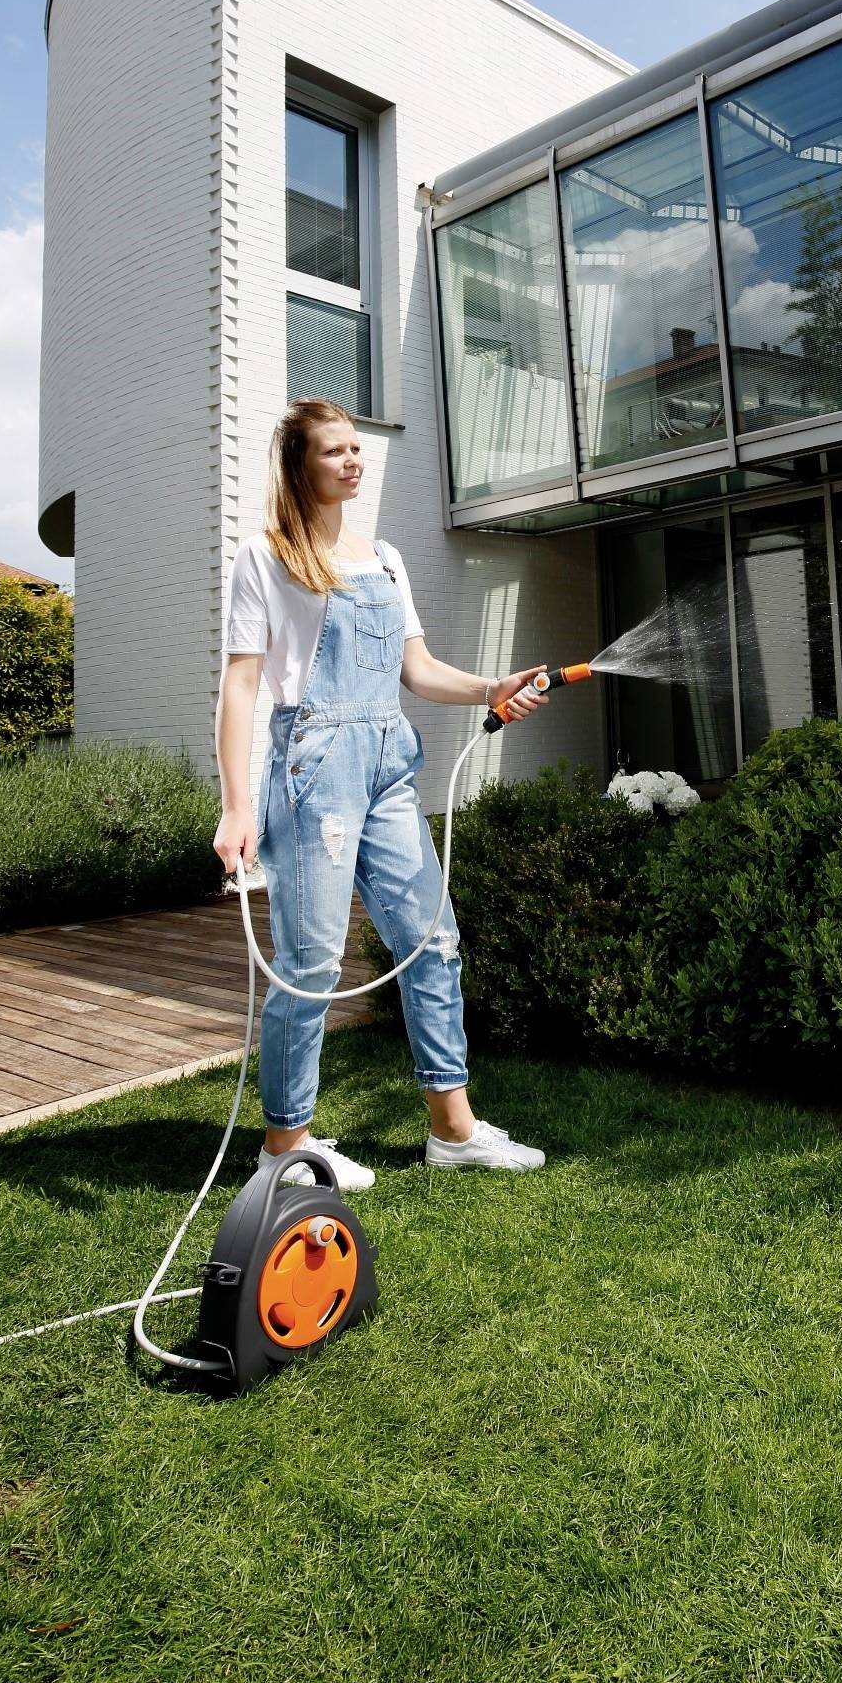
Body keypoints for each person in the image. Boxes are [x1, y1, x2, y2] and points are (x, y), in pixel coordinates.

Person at [213, 398, 551, 1190]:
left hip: (386, 764)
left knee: (433, 937)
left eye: (356, 448)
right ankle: (285, 1145)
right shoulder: (265, 558)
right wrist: (235, 806)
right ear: (301, 466)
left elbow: (418, 669)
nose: (352, 461)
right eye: (334, 451)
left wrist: (490, 687)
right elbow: (240, 686)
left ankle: (453, 1128)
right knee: (311, 962)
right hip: (314, 769)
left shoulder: (386, 557)